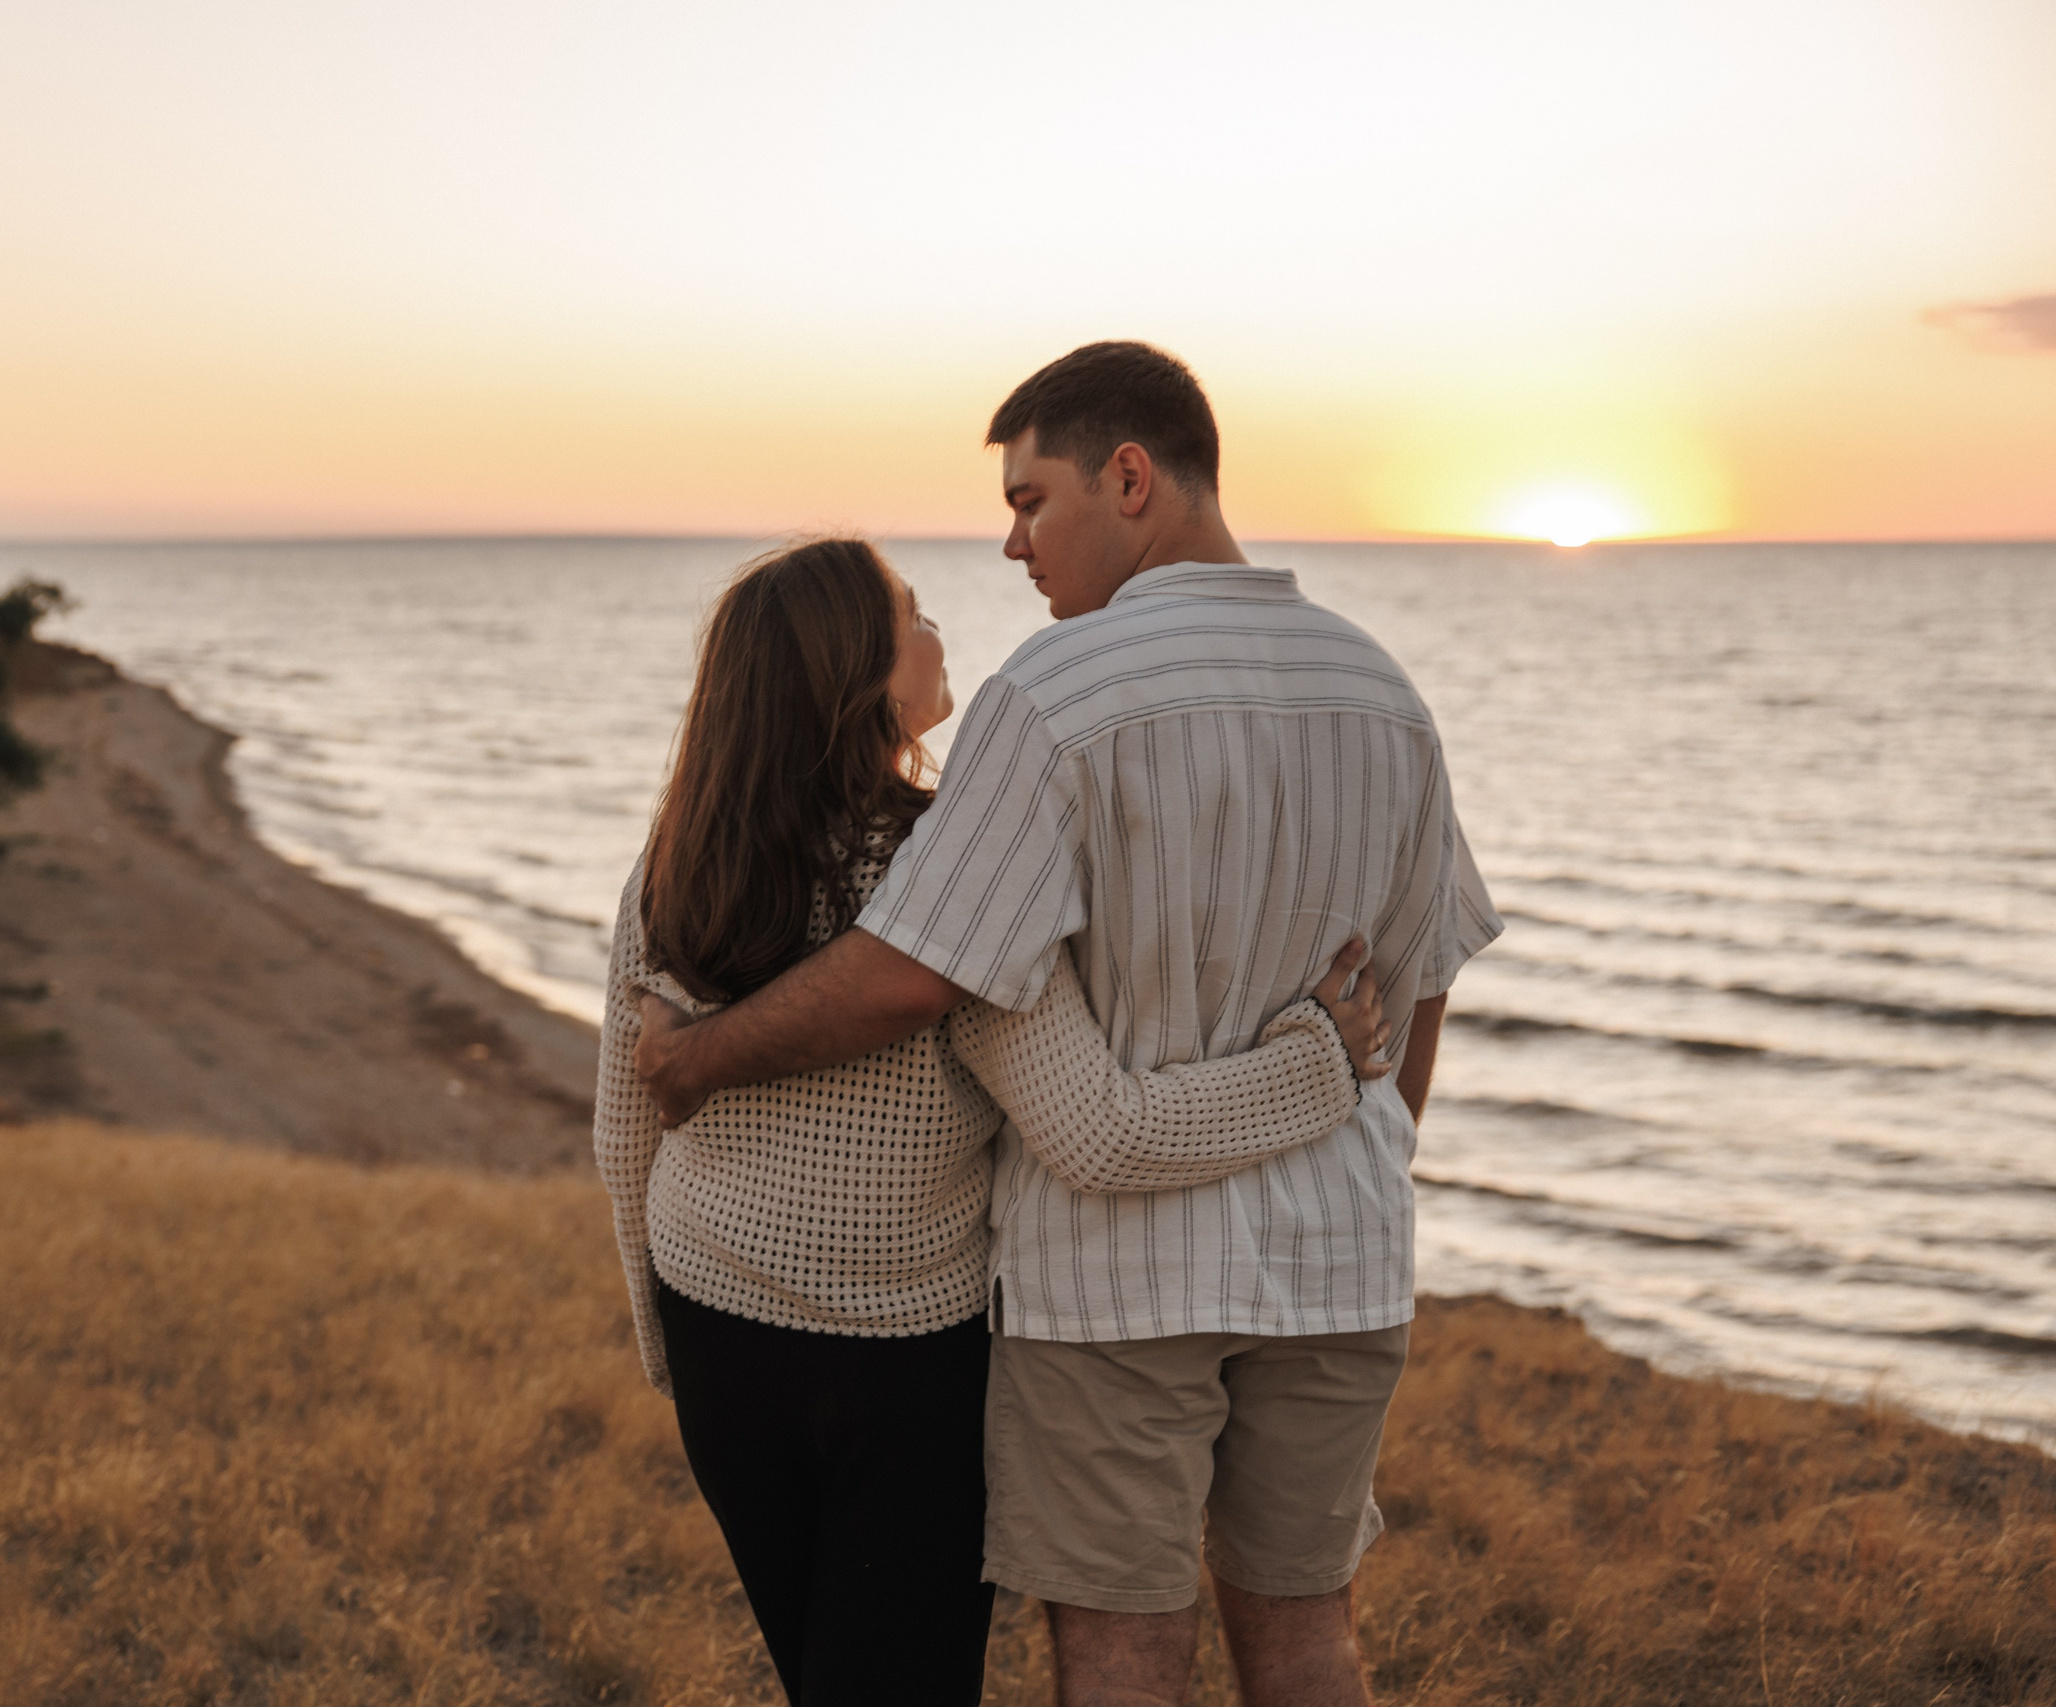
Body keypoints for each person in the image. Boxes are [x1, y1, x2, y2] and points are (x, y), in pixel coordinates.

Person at [636, 344, 1503, 1707]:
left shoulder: (1053, 697)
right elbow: (1426, 975)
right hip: (1339, 1262)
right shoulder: (1383, 688)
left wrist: (694, 1058)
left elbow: (915, 972)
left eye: (1032, 502)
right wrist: (1364, 1148)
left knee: (1117, 1652)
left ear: (1132, 477)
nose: (1011, 544)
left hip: (1114, 1286)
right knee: (1306, 1637)